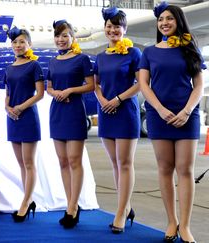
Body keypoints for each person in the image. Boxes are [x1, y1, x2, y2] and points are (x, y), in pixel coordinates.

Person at [139, 2, 205, 242]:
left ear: (178, 22)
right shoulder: (149, 52)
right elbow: (144, 85)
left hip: (187, 115)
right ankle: (171, 222)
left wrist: (187, 111)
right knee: (165, 169)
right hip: (159, 116)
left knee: (185, 170)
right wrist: (160, 109)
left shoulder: (189, 48)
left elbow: (198, 85)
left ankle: (185, 226)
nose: (164, 23)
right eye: (160, 20)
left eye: (169, 19)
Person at [94, 7, 141, 233]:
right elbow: (96, 84)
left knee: (125, 163)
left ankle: (120, 212)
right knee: (114, 163)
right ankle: (127, 206)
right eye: (109, 26)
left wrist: (118, 99)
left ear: (125, 29)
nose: (112, 30)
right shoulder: (101, 56)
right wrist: (103, 100)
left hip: (125, 111)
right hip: (105, 111)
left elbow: (141, 83)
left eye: (117, 26)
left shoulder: (134, 54)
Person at [46, 20, 94, 228]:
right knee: (63, 162)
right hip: (57, 111)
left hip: (74, 110)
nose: (61, 39)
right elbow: (48, 87)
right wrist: (56, 92)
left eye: (65, 35)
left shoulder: (82, 59)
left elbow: (91, 85)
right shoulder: (53, 61)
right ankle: (70, 203)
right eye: (58, 36)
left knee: (75, 160)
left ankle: (73, 207)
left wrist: (71, 90)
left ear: (73, 37)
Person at [4, 27, 44, 222]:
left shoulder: (34, 65)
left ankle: (26, 201)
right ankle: (28, 199)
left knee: (29, 162)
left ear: (29, 44)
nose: (18, 45)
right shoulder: (10, 67)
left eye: (22, 42)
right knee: (21, 163)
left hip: (27, 117)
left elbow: (40, 94)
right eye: (15, 42)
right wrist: (7, 107)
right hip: (12, 118)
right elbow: (8, 92)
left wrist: (20, 107)